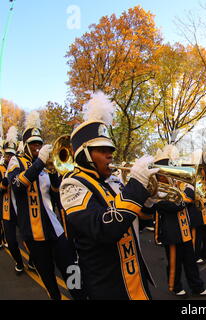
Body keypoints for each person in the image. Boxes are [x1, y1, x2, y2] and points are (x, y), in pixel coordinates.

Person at [60, 92, 157, 300]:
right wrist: (136, 187)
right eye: (102, 150)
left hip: (134, 276)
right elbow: (105, 228)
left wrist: (148, 199)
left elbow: (141, 218)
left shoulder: (113, 180)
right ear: (85, 154)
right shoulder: (71, 184)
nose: (110, 154)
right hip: (107, 283)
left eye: (110, 149)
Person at [9, 111, 86, 300]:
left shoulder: (44, 165)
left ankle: (79, 296)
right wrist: (39, 163)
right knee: (48, 275)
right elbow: (18, 186)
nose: (37, 147)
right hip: (33, 234)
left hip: (56, 229)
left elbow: (54, 194)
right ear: (26, 146)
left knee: (71, 268)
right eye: (33, 144)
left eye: (39, 143)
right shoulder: (16, 161)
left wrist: (53, 171)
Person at [1, 126, 25, 273]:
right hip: (6, 210)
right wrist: (4, 183)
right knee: (11, 240)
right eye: (7, 154)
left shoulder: (19, 165)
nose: (9, 157)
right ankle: (19, 262)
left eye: (11, 154)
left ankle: (33, 261)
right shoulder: (0, 168)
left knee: (29, 238)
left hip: (21, 208)